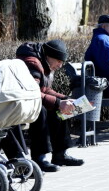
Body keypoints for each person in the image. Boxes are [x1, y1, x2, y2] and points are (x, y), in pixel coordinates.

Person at [16, 40, 83, 172]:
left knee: (62, 110)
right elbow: (32, 92)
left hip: (33, 98)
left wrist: (64, 99)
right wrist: (58, 102)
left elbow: (45, 89)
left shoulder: (45, 63)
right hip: (23, 101)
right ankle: (39, 157)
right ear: (49, 56)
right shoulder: (32, 64)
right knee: (42, 111)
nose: (60, 65)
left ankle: (60, 154)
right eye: (58, 61)